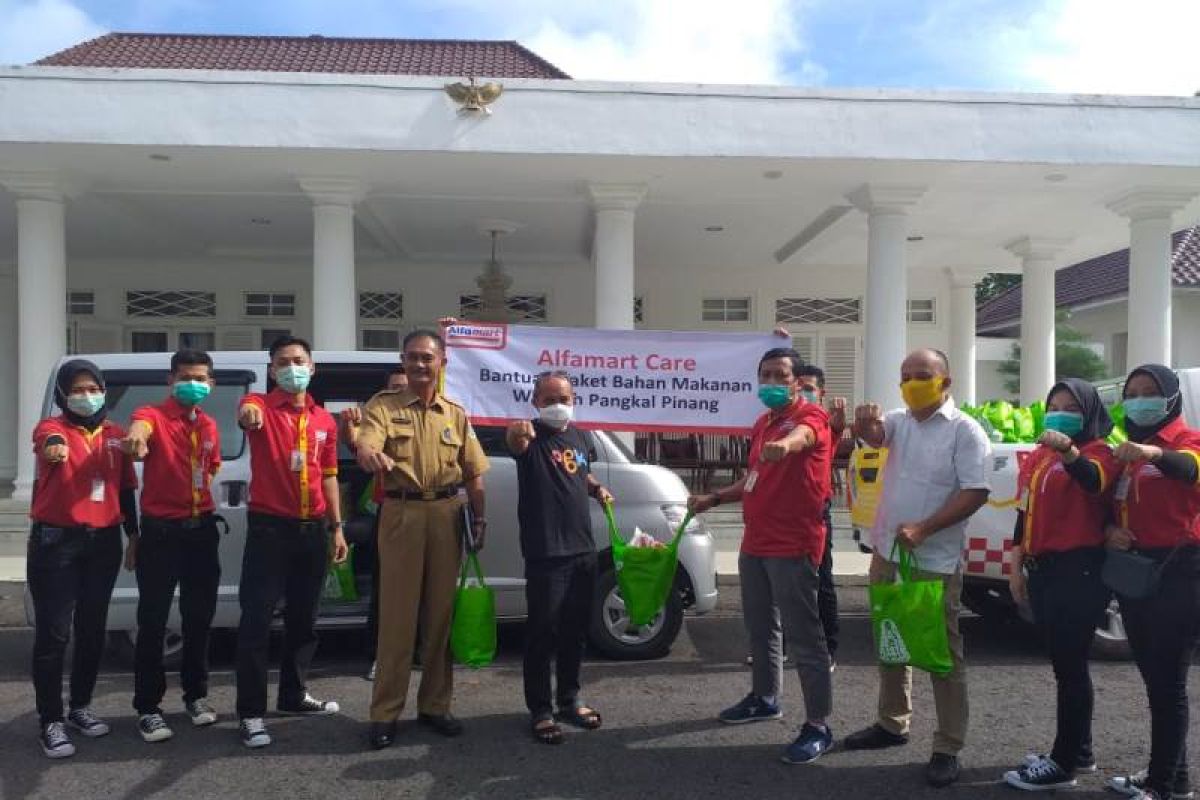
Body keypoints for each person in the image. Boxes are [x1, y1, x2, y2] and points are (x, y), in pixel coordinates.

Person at [845, 349, 990, 789]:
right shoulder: (898, 421)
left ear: (945, 382)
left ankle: (948, 745)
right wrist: (861, 427)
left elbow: (976, 491)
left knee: (941, 651)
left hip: (934, 559)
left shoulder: (966, 432)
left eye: (922, 375)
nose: (911, 383)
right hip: (888, 553)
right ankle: (892, 722)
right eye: (905, 376)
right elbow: (873, 437)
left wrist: (926, 528)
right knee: (890, 638)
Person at [688, 346, 835, 765]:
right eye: (765, 375)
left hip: (794, 543)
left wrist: (786, 447)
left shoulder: (810, 417)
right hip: (756, 542)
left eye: (780, 376)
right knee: (760, 627)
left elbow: (802, 439)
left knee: (805, 636)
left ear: (796, 381)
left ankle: (819, 725)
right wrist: (714, 497)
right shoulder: (762, 423)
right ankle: (765, 697)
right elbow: (753, 478)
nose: (771, 383)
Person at [356, 329, 489, 750]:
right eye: (411, 357)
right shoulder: (383, 407)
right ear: (403, 360)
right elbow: (366, 443)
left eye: (426, 358)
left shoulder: (455, 414)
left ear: (441, 362)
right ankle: (385, 713)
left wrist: (479, 519)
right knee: (397, 619)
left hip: (448, 513)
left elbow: (473, 470)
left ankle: (434, 705)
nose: (418, 364)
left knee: (439, 617)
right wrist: (368, 452)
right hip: (402, 513)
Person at [1000, 379, 1117, 790]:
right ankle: (1078, 752)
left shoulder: (1099, 451)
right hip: (1043, 569)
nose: (1061, 412)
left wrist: (1069, 451)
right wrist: (1015, 566)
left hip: (1078, 570)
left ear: (1089, 413)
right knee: (1061, 664)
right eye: (1054, 405)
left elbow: (1093, 481)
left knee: (1071, 668)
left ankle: (1063, 764)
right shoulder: (1040, 457)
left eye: (1072, 406)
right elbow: (1023, 513)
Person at [234, 336, 348, 749]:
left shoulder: (324, 420)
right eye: (283, 362)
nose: (291, 367)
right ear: (271, 370)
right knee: (256, 623)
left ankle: (293, 695)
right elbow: (248, 416)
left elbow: (331, 475)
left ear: (313, 367)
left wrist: (337, 527)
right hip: (269, 530)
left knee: (305, 619)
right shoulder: (261, 406)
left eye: (299, 361)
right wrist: (249, 414)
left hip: (313, 529)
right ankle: (250, 713)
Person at [27, 359, 139, 758]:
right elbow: (47, 443)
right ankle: (50, 721)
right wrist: (53, 450)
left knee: (93, 629)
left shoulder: (117, 435)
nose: (86, 396)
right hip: (56, 544)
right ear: (63, 394)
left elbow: (126, 490)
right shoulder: (52, 428)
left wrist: (133, 536)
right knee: (54, 634)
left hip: (103, 543)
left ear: (104, 390)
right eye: (77, 389)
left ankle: (79, 708)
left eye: (93, 388)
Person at [1103, 364, 1200, 800]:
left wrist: (1154, 454)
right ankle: (1171, 776)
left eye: (1150, 391)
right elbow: (1113, 507)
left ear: (1171, 398)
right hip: (1137, 572)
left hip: (1179, 570)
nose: (1139, 399)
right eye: (1132, 392)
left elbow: (1190, 470)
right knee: (1155, 679)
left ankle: (1164, 784)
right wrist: (1111, 531)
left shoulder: (1186, 442)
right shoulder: (1126, 452)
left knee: (1169, 682)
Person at [121, 349, 223, 743]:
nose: (192, 384)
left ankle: (196, 696)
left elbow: (210, 468)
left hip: (200, 532)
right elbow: (138, 433)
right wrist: (135, 440)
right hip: (162, 534)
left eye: (200, 378)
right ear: (170, 381)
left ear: (211, 385)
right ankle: (148, 707)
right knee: (153, 622)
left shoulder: (210, 425)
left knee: (199, 618)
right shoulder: (152, 416)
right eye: (184, 377)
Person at [506, 370, 614, 745]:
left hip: (582, 548)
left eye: (563, 399)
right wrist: (518, 433)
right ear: (536, 402)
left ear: (573, 400)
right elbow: (516, 443)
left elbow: (579, 470)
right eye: (549, 399)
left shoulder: (581, 435)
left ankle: (569, 700)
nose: (557, 405)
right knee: (542, 632)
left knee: (575, 630)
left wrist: (597, 488)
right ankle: (540, 710)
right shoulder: (529, 435)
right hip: (546, 551)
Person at [339, 365, 408, 681]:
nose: (399, 391)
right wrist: (349, 429)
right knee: (387, 589)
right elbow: (360, 447)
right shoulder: (378, 419)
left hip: (428, 511)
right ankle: (380, 655)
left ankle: (419, 653)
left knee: (427, 589)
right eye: (393, 387)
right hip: (390, 511)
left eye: (404, 386)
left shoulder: (429, 415)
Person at [796, 364, 846, 669]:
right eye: (798, 386)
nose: (803, 392)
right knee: (784, 584)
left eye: (809, 388)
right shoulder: (780, 421)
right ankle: (783, 645)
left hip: (816, 512)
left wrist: (839, 422)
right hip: (784, 513)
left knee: (821, 580)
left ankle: (828, 647)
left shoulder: (824, 423)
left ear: (821, 393)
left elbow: (837, 428)